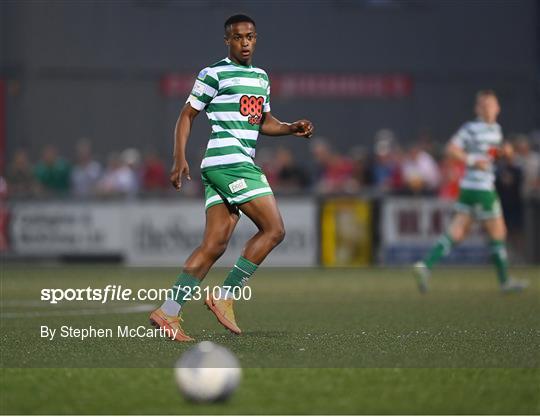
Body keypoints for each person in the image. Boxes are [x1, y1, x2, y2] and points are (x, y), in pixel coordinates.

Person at [149, 14, 314, 342]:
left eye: (250, 37)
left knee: (214, 245)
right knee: (275, 229)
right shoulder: (214, 73)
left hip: (228, 165)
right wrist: (179, 157)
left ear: (256, 38)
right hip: (230, 163)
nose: (245, 43)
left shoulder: (261, 78)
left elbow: (262, 122)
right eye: (238, 37)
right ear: (228, 41)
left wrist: (290, 128)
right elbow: (187, 114)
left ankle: (167, 312)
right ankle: (225, 296)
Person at [413, 90, 527, 293]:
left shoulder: (496, 130)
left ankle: (425, 266)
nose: (490, 108)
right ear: (478, 109)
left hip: (469, 189)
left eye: (492, 104)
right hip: (482, 189)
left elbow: (491, 155)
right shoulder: (472, 127)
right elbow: (451, 149)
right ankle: (504, 282)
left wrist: (504, 154)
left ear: (498, 107)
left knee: (457, 231)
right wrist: (473, 161)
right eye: (486, 105)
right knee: (498, 233)